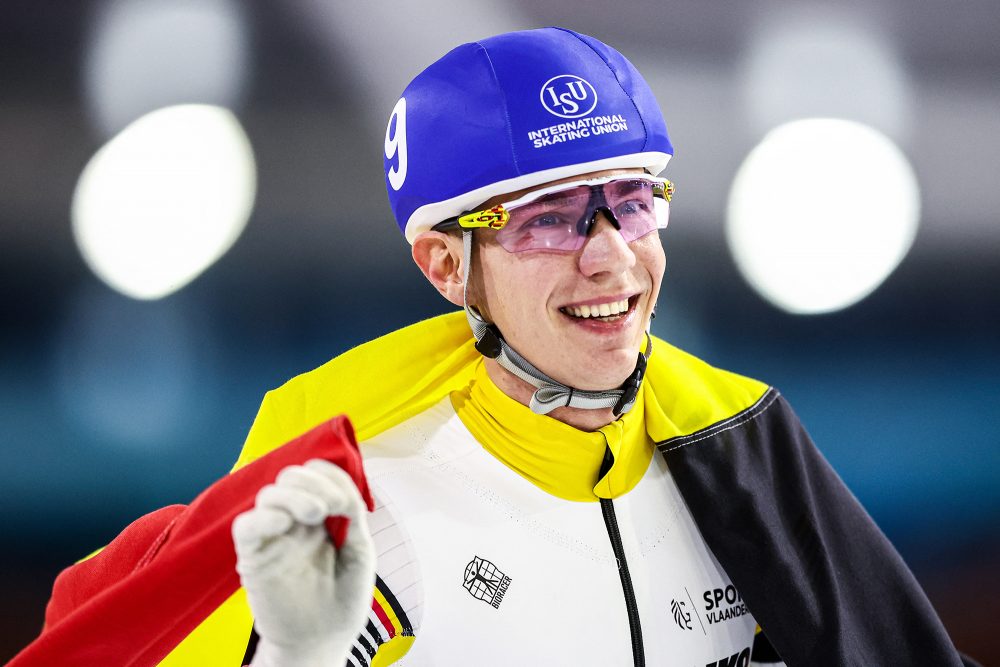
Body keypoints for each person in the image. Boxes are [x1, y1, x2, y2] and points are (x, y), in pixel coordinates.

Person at [22, 26, 975, 667]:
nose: (611, 257)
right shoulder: (370, 505)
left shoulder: (744, 465)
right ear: (445, 265)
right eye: (551, 218)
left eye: (633, 201)